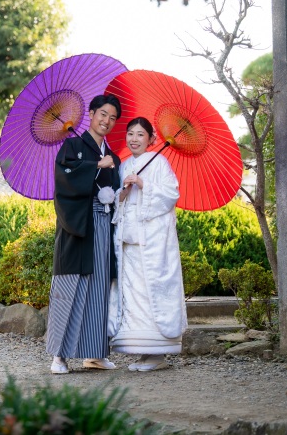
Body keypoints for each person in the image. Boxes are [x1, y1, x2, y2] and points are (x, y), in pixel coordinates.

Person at [46, 94, 121, 375]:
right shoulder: (73, 146)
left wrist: (120, 187)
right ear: (91, 113)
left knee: (99, 288)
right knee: (70, 288)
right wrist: (94, 166)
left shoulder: (111, 154)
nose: (107, 121)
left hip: (103, 225)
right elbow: (64, 179)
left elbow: (113, 191)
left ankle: (94, 354)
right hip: (78, 225)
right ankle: (59, 356)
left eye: (113, 118)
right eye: (103, 114)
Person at [108, 117, 187, 371]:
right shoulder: (123, 165)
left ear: (151, 138)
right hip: (129, 243)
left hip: (152, 243)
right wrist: (123, 193)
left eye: (140, 134)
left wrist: (144, 184)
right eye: (130, 133)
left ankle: (158, 354)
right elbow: (119, 203)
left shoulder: (159, 162)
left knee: (152, 291)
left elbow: (171, 194)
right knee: (133, 296)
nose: (134, 139)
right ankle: (143, 351)